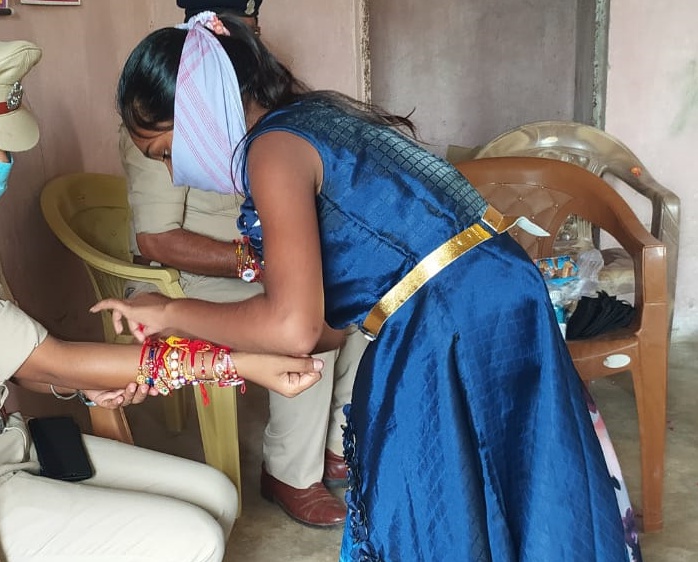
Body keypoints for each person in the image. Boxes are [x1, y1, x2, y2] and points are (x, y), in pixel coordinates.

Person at [97, 12, 643, 562]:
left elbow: (293, 326)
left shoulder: (273, 151)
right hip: (495, 293)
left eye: (167, 151)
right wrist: (197, 341)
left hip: (448, 316)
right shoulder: (314, 118)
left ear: (196, 111)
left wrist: (169, 311)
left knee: (429, 498)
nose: (175, 173)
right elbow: (326, 329)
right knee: (517, 472)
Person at [0, 28, 323, 562]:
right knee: (192, 537)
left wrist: (86, 387)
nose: (1, 166)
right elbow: (45, 359)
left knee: (217, 496)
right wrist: (238, 362)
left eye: (3, 149)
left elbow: (18, 361)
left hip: (0, 447)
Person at [119, 0, 362, 528]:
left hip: (271, 265)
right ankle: (290, 474)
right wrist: (255, 262)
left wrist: (296, 263)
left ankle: (339, 442)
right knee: (305, 331)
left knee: (361, 310)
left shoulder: (273, 116)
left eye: (247, 34)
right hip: (204, 279)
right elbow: (157, 240)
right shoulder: (160, 119)